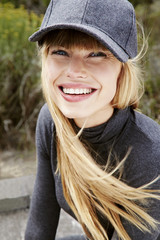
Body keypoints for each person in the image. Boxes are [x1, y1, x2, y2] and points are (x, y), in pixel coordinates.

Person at [25, 0, 160, 239]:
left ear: (122, 70)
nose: (75, 70)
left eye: (96, 54)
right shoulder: (51, 121)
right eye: (60, 51)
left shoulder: (149, 152)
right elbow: (39, 227)